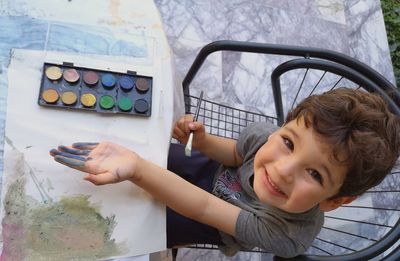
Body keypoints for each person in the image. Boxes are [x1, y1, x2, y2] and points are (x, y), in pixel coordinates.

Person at [49, 87, 400, 258]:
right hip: (210, 171)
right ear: (283, 128)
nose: (282, 170)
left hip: (216, 220)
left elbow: (202, 208)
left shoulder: (289, 235)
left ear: (336, 200)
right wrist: (202, 141)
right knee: (153, 160)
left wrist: (137, 170)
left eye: (316, 175)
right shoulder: (267, 138)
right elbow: (234, 153)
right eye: (290, 143)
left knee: (137, 225)